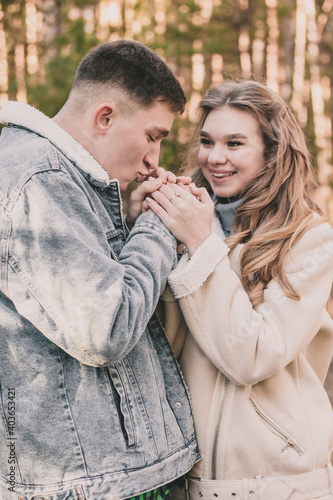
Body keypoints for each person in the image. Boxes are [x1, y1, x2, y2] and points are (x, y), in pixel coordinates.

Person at [0, 40, 204, 500]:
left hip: (107, 476)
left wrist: (133, 224)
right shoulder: (39, 181)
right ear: (105, 117)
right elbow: (106, 327)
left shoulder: (64, 178)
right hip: (89, 485)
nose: (154, 158)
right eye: (152, 135)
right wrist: (157, 226)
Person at [146, 79, 333, 499]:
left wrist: (202, 244)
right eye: (208, 142)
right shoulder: (182, 224)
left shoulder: (310, 241)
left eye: (235, 144)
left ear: (272, 151)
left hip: (280, 483)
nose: (215, 158)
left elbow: (253, 357)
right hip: (185, 481)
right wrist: (145, 226)